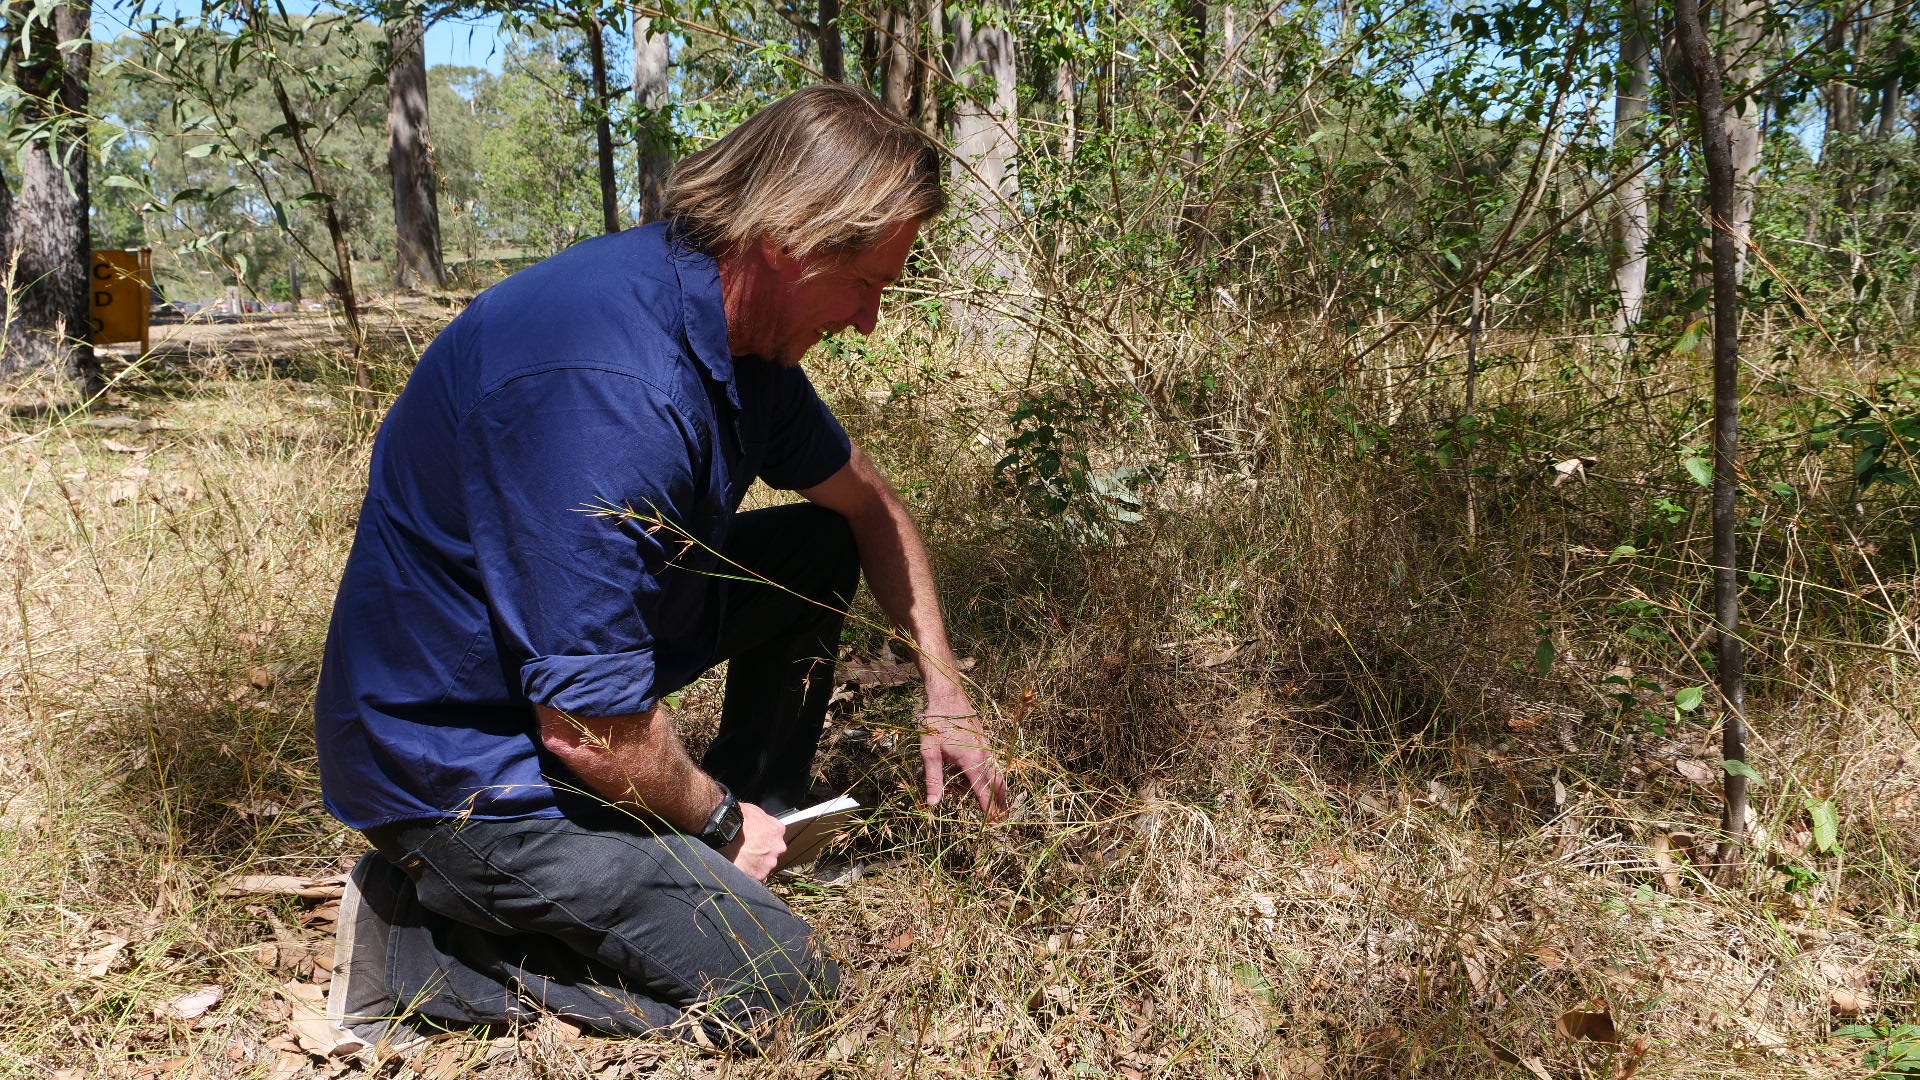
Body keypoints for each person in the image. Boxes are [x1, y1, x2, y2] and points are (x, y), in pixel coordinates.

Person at [313, 84, 1010, 1048]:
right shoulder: (607, 389)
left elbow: (871, 507)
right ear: (789, 241)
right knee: (783, 987)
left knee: (815, 543)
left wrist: (946, 692)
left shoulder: (736, 332)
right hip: (464, 772)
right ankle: (419, 953)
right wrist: (718, 824)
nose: (870, 322)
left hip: (543, 681)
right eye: (867, 284)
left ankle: (756, 811)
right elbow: (589, 728)